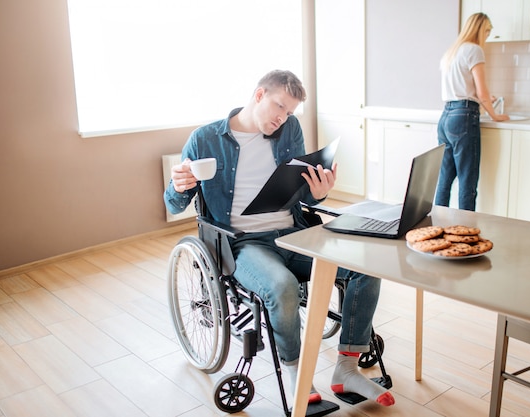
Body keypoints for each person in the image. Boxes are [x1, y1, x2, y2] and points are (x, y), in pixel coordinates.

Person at [164, 70, 395, 407]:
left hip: (294, 233)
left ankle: (346, 370)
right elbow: (174, 203)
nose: (282, 118)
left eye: (289, 112)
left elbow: (302, 194)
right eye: (279, 107)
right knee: (283, 286)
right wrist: (178, 184)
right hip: (244, 242)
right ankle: (297, 374)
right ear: (259, 95)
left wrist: (319, 192)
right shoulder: (206, 139)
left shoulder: (289, 131)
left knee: (364, 266)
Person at [435, 12, 509, 211]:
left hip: (446, 117)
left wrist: (484, 98)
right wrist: (495, 115)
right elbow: (482, 93)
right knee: (468, 180)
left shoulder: (452, 52)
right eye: (487, 31)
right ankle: (464, 232)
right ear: (479, 29)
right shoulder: (475, 50)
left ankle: (436, 225)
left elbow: (466, 88)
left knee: (445, 178)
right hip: (464, 117)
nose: (487, 36)